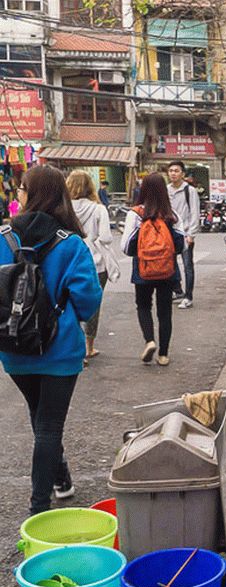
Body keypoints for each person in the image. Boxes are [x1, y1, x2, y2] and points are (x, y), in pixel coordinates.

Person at [0, 165, 102, 514]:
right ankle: (38, 508)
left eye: (23, 189)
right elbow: (88, 302)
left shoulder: (2, 239)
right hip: (59, 351)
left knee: (39, 412)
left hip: (14, 348)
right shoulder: (70, 243)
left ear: (33, 194)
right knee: (48, 424)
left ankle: (62, 479)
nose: (19, 195)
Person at [122, 174, 185, 366]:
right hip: (167, 270)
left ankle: (150, 341)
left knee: (143, 306)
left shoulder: (136, 214)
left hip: (143, 269)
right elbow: (182, 246)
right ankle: (164, 354)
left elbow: (125, 247)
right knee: (165, 312)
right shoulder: (172, 215)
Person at [66, 171, 117, 362]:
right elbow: (106, 237)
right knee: (93, 305)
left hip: (70, 262)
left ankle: (75, 348)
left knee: (69, 304)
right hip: (96, 264)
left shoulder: (64, 209)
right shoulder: (98, 209)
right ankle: (89, 348)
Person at [166, 161, 200, 309]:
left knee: (187, 265)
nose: (173, 173)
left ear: (183, 174)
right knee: (171, 264)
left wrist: (191, 233)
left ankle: (188, 296)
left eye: (176, 171)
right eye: (171, 171)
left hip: (185, 233)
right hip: (170, 233)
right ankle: (178, 290)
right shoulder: (166, 190)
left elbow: (195, 212)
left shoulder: (190, 191)